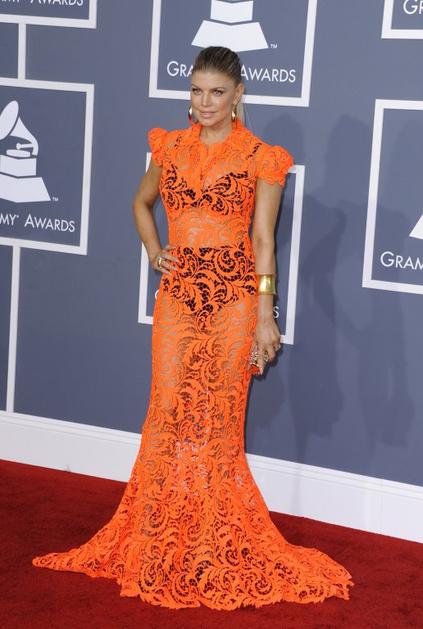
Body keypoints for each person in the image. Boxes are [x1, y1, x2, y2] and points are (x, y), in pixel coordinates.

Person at [32, 46, 354, 610]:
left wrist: (265, 315)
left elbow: (263, 242)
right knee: (166, 412)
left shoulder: (262, 158)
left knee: (220, 424)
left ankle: (210, 543)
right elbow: (141, 203)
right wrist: (155, 251)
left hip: (234, 302)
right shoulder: (169, 147)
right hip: (178, 299)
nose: (205, 103)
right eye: (197, 91)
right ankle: (158, 539)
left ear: (238, 94)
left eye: (217, 93)